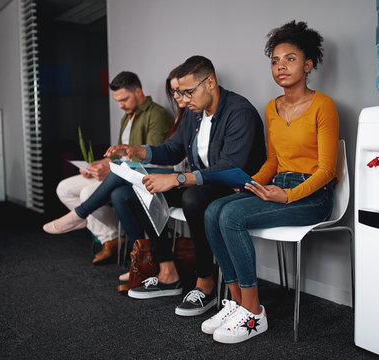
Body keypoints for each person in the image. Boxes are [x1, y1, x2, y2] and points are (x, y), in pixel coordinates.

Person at [201, 21, 339, 344]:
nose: (281, 67)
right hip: (279, 185)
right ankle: (236, 302)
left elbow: (328, 170)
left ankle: (253, 313)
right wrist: (251, 183)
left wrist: (288, 196)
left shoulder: (324, 106)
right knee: (212, 211)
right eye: (275, 61)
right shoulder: (272, 109)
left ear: (308, 65)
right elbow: (274, 163)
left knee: (232, 217)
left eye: (290, 59)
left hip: (314, 195)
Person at [105, 55, 266, 317]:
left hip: (235, 185)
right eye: (180, 92)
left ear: (210, 82)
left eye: (188, 92)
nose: (184, 99)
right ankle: (168, 273)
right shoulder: (195, 113)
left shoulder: (240, 111)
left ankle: (206, 283)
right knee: (143, 190)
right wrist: (138, 150)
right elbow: (173, 149)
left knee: (193, 199)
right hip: (202, 181)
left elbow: (229, 168)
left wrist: (178, 179)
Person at [43, 68, 186, 270]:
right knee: (63, 188)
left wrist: (112, 169)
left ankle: (91, 224)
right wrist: (96, 166)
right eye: (117, 100)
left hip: (135, 174)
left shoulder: (157, 114)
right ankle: (111, 236)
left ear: (138, 91)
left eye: (124, 99)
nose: (120, 105)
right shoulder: (126, 118)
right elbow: (120, 156)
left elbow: (155, 158)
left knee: (95, 194)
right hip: (119, 171)